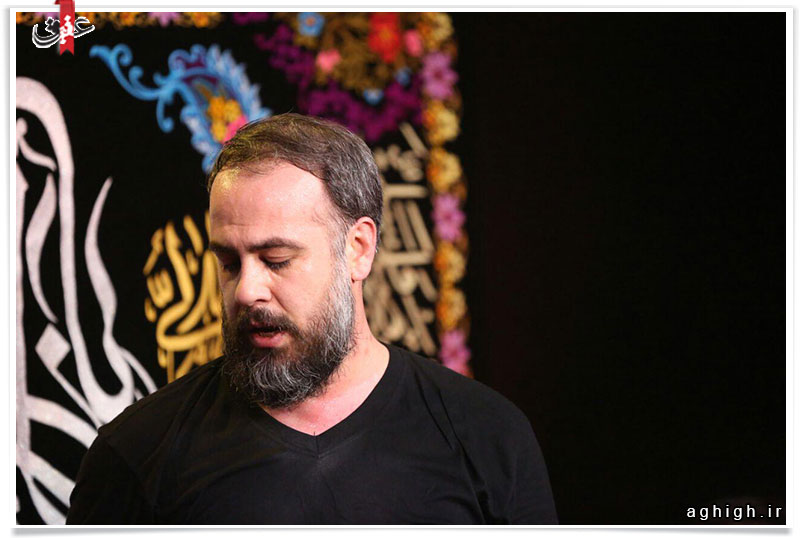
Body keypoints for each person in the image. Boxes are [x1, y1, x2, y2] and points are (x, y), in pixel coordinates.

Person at [66, 113, 558, 525]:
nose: (247, 291)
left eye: (276, 259)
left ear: (358, 249)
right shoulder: (137, 452)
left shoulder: (486, 436)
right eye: (230, 263)